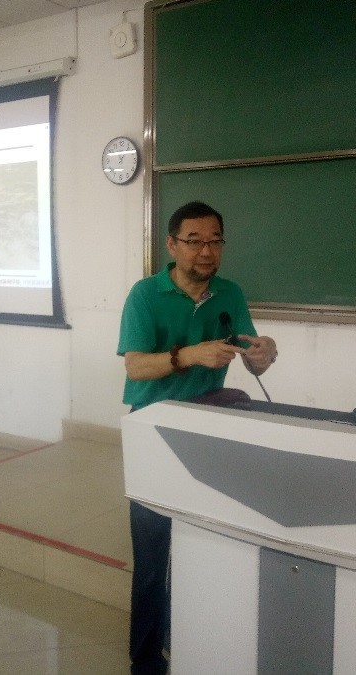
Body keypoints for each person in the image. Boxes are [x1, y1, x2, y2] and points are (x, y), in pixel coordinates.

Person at [117, 200, 278, 674]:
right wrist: (189, 355)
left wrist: (264, 353)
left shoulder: (230, 293)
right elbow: (135, 366)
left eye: (215, 241)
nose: (206, 252)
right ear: (172, 245)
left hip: (209, 429)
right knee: (152, 553)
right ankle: (146, 659)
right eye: (194, 241)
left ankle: (197, 643)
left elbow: (253, 358)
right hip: (154, 430)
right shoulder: (146, 294)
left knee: (203, 545)